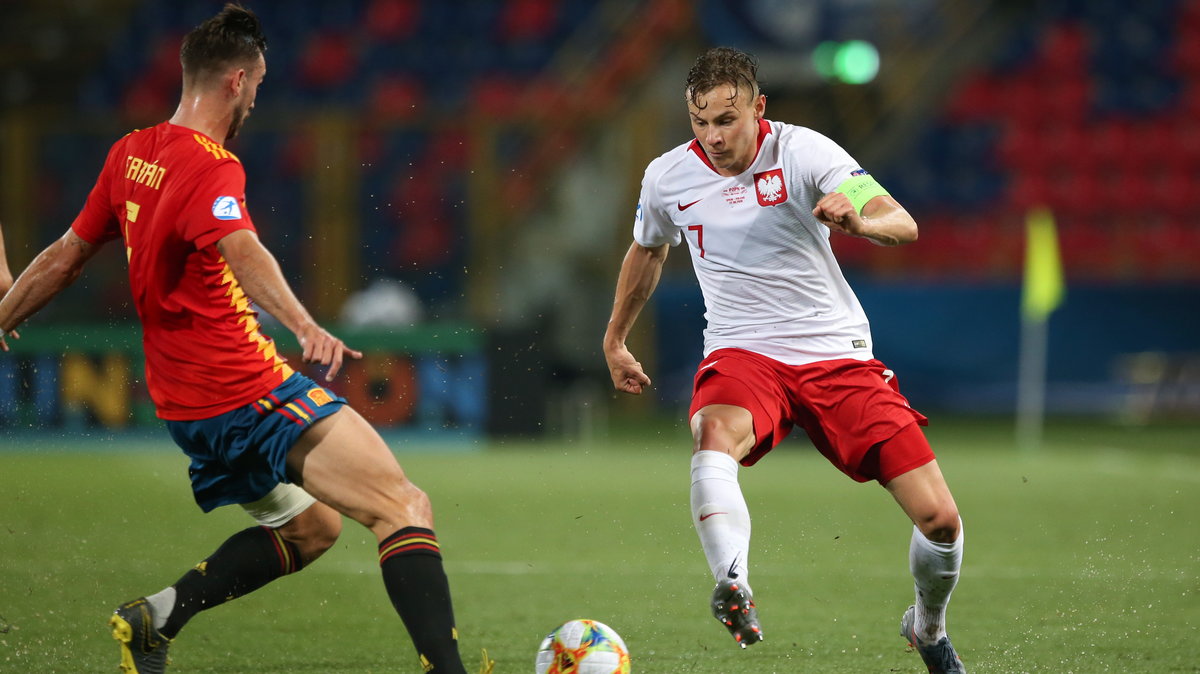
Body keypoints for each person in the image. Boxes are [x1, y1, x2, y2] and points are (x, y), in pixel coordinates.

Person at [0, 6, 483, 673]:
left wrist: (3, 313)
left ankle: (158, 617)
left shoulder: (130, 154)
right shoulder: (211, 166)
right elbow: (241, 246)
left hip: (185, 408)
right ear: (235, 80)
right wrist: (304, 322)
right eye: (257, 83)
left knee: (313, 528)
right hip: (243, 391)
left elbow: (65, 254)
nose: (257, 96)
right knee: (404, 506)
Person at [603, 47, 966, 673]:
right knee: (712, 433)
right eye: (699, 122)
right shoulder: (667, 176)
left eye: (726, 119)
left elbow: (900, 223)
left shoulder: (806, 152)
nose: (713, 137)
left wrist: (859, 221)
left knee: (940, 520)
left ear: (758, 108)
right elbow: (648, 250)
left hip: (835, 356)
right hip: (744, 351)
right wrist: (614, 339)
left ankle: (927, 628)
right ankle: (733, 582)